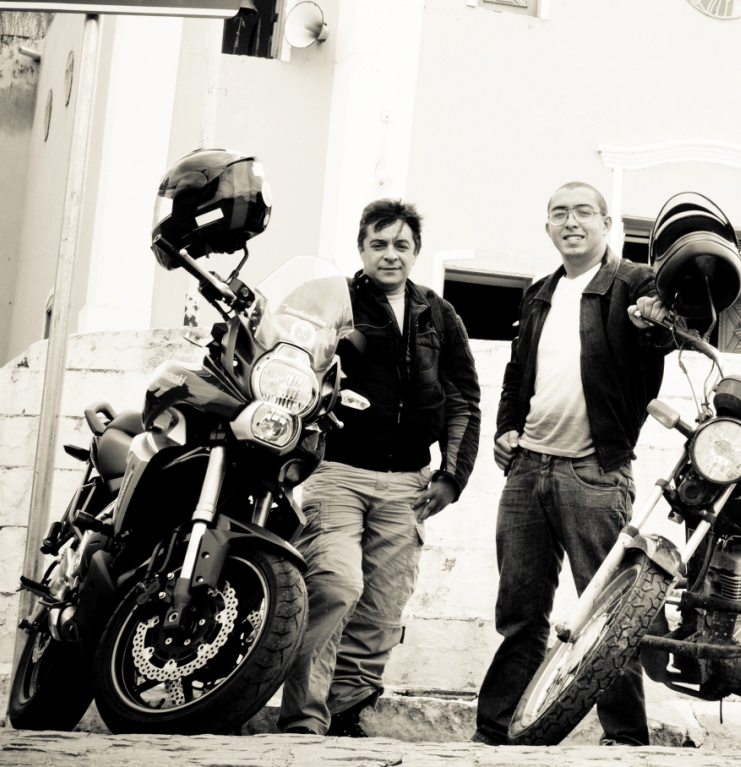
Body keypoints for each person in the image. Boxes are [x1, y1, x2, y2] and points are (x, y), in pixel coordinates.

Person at [472, 181, 673, 747]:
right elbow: (517, 373)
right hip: (528, 470)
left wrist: (655, 317)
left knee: (610, 616)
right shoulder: (539, 293)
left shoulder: (635, 283)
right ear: (547, 228)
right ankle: (496, 733)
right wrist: (506, 429)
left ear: (608, 224)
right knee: (520, 613)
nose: (571, 222)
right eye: (559, 213)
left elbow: (669, 331)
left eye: (584, 212)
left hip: (595, 472)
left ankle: (626, 738)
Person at [279, 199, 482, 737]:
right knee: (335, 585)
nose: (390, 254)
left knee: (381, 609)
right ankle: (303, 719)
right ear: (362, 249)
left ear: (416, 251)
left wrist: (452, 475)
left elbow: (463, 398)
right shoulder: (334, 301)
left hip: (409, 484)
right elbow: (289, 367)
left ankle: (346, 713)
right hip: (337, 474)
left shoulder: (439, 313)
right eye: (379, 244)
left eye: (401, 245)